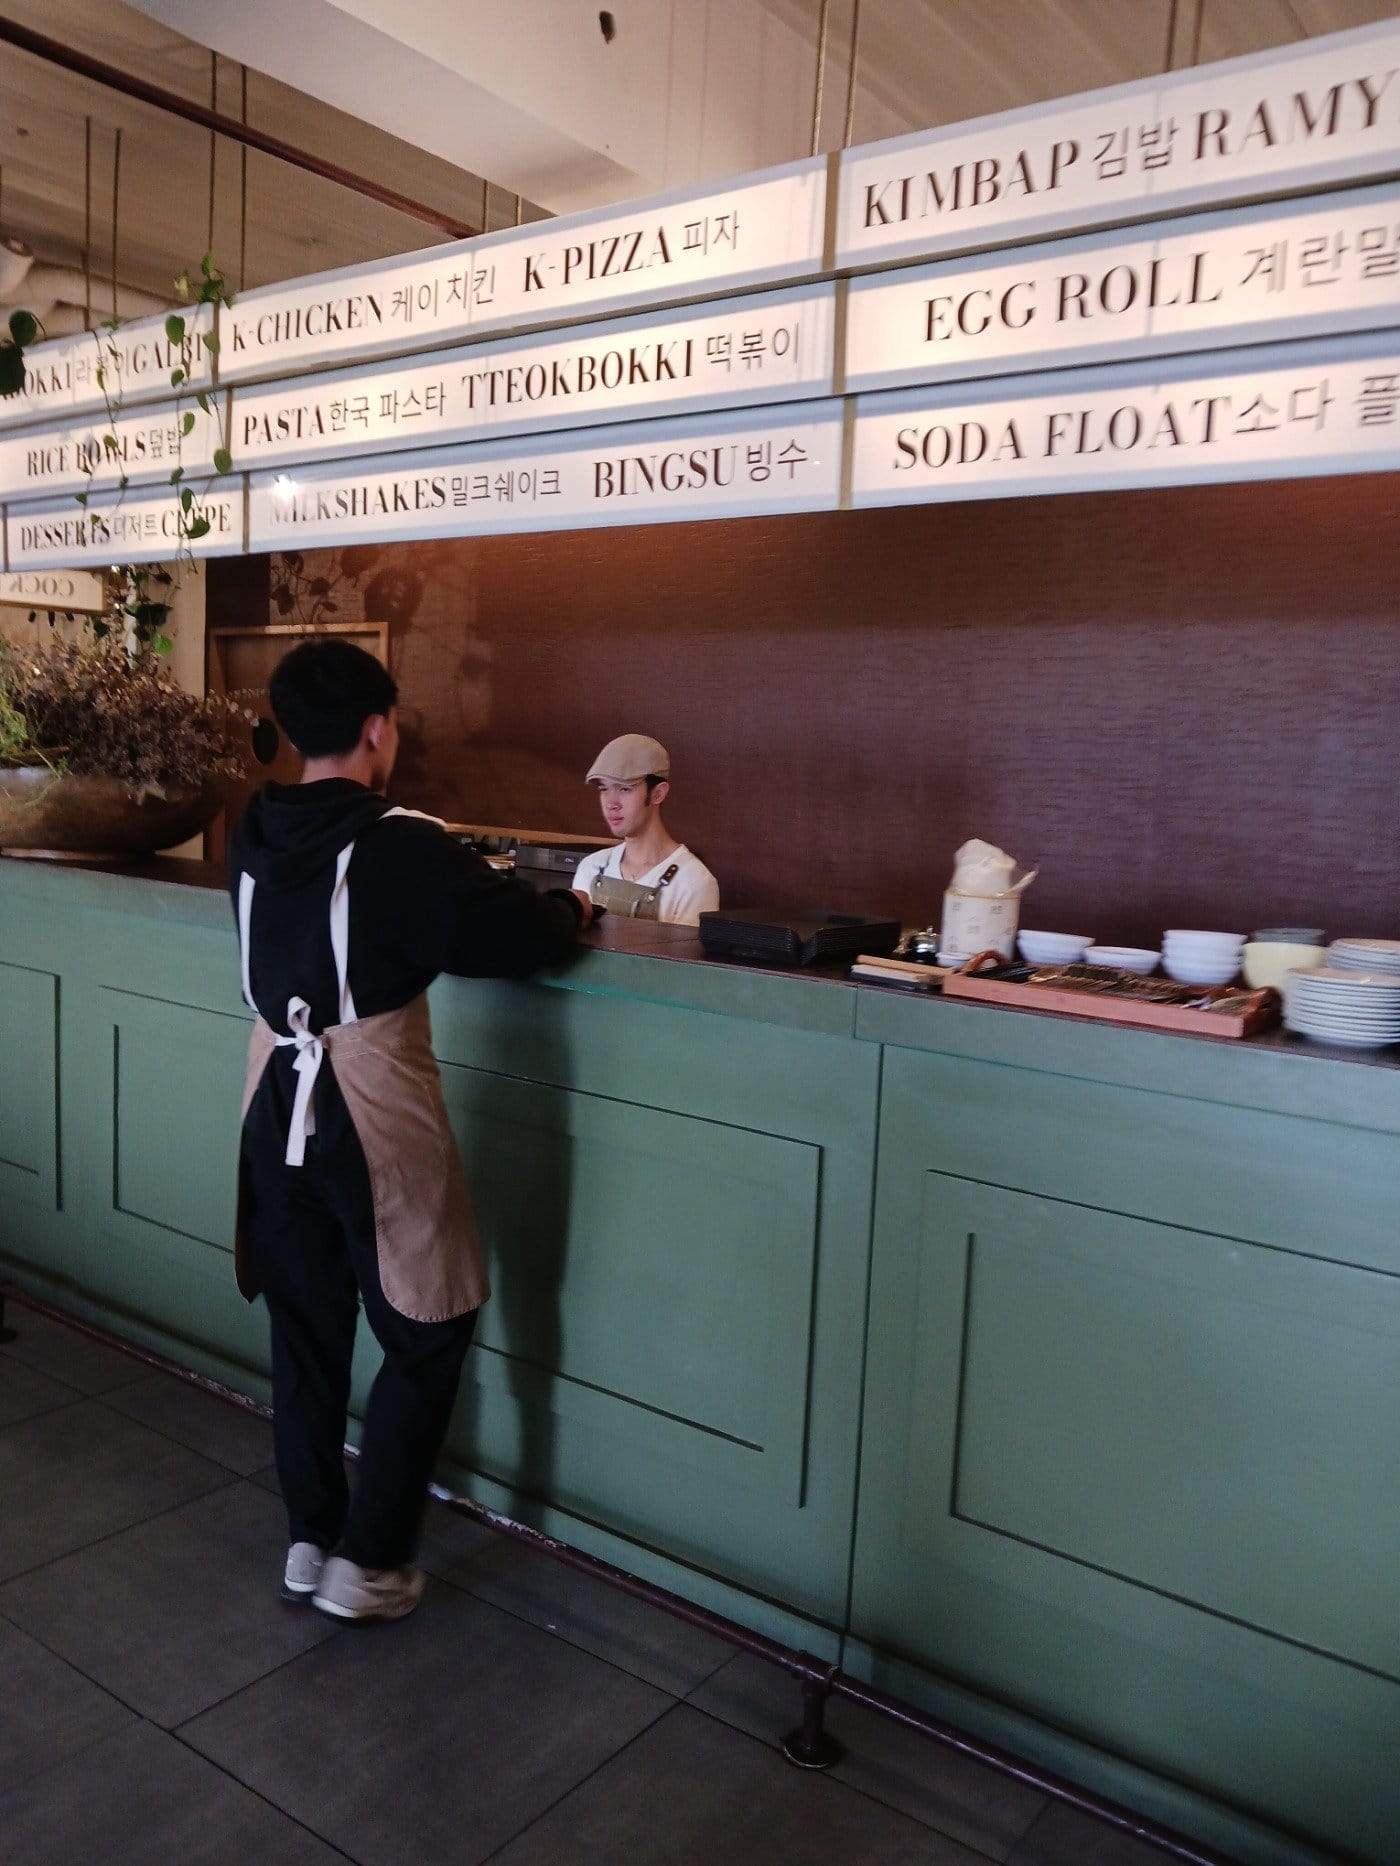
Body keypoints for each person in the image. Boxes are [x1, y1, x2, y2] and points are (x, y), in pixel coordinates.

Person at [229, 639, 593, 1623]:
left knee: (305, 1328)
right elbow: (511, 936)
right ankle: (370, 1561)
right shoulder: (399, 842)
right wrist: (570, 907)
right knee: (429, 1323)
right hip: (370, 1101)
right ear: (377, 729)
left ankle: (311, 1539)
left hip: (272, 1100)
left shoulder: (253, 829)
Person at [571, 733, 719, 926]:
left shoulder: (693, 882)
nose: (611, 803)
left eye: (624, 789)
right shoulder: (591, 868)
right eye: (604, 789)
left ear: (658, 794)